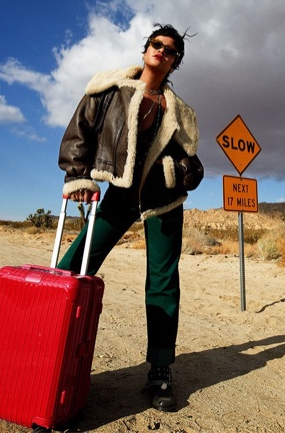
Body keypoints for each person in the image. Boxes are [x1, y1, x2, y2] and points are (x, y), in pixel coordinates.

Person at [57, 23, 203, 412]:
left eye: (170, 50)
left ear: (174, 62)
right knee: (74, 266)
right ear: (145, 50)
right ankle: (42, 340)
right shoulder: (109, 89)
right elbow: (79, 133)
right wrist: (78, 177)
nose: (162, 51)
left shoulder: (181, 112)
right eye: (157, 44)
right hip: (119, 194)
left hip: (163, 201)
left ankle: (160, 368)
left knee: (163, 283)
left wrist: (186, 171)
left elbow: (191, 159)